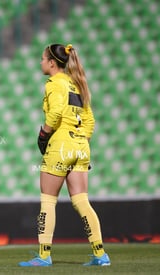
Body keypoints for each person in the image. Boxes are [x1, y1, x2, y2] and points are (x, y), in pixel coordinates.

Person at [19, 44, 111, 267]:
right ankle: (100, 254)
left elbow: (57, 111)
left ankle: (43, 256)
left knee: (48, 201)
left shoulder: (54, 83)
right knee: (81, 201)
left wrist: (44, 134)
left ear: (52, 63)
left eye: (42, 58)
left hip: (60, 145)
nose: (40, 62)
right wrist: (80, 141)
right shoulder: (77, 83)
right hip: (81, 147)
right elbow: (90, 120)